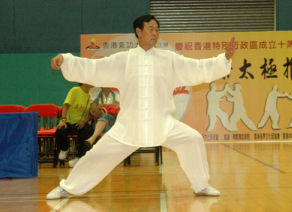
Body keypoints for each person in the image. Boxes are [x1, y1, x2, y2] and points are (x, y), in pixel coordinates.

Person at [47, 14, 235, 199]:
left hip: (164, 123)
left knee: (192, 139)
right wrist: (66, 61)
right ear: (138, 31)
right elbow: (94, 68)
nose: (155, 33)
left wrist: (223, 60)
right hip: (129, 126)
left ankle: (201, 186)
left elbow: (197, 68)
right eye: (151, 29)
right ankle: (68, 188)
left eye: (157, 30)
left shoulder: (169, 59)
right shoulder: (123, 60)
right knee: (97, 155)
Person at [68, 87, 120, 167]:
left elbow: (118, 109)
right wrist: (108, 107)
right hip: (97, 122)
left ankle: (92, 139)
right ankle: (104, 156)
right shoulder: (94, 95)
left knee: (106, 117)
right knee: (104, 118)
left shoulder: (116, 94)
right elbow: (94, 114)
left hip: (113, 122)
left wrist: (101, 106)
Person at [55, 83, 94, 164]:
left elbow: (91, 114)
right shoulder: (75, 90)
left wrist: (84, 122)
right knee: (60, 131)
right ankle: (64, 149)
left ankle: (79, 157)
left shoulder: (91, 96)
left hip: (80, 124)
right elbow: (66, 105)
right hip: (68, 122)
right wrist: (63, 120)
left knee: (88, 131)